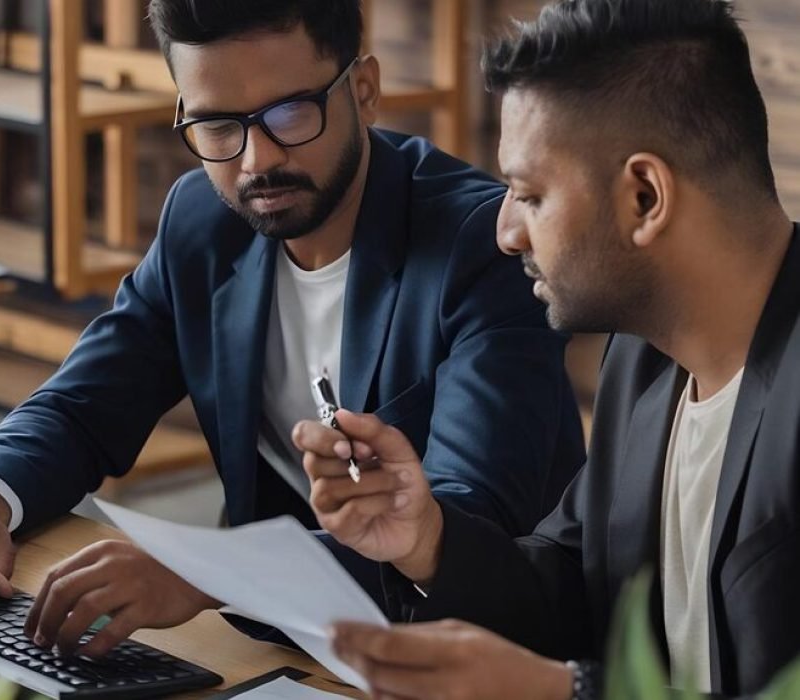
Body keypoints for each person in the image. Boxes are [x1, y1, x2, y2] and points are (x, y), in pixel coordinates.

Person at [0, 0, 584, 660]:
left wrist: (209, 573)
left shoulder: (481, 247)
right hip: (273, 641)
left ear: (365, 91)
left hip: (472, 652)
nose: (256, 160)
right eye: (218, 125)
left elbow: (470, 517)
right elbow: (86, 404)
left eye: (289, 113)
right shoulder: (202, 218)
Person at [293, 0, 800, 697]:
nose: (506, 232)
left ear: (645, 197)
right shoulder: (644, 360)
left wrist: (565, 693)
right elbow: (573, 588)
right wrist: (425, 540)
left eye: (528, 194)